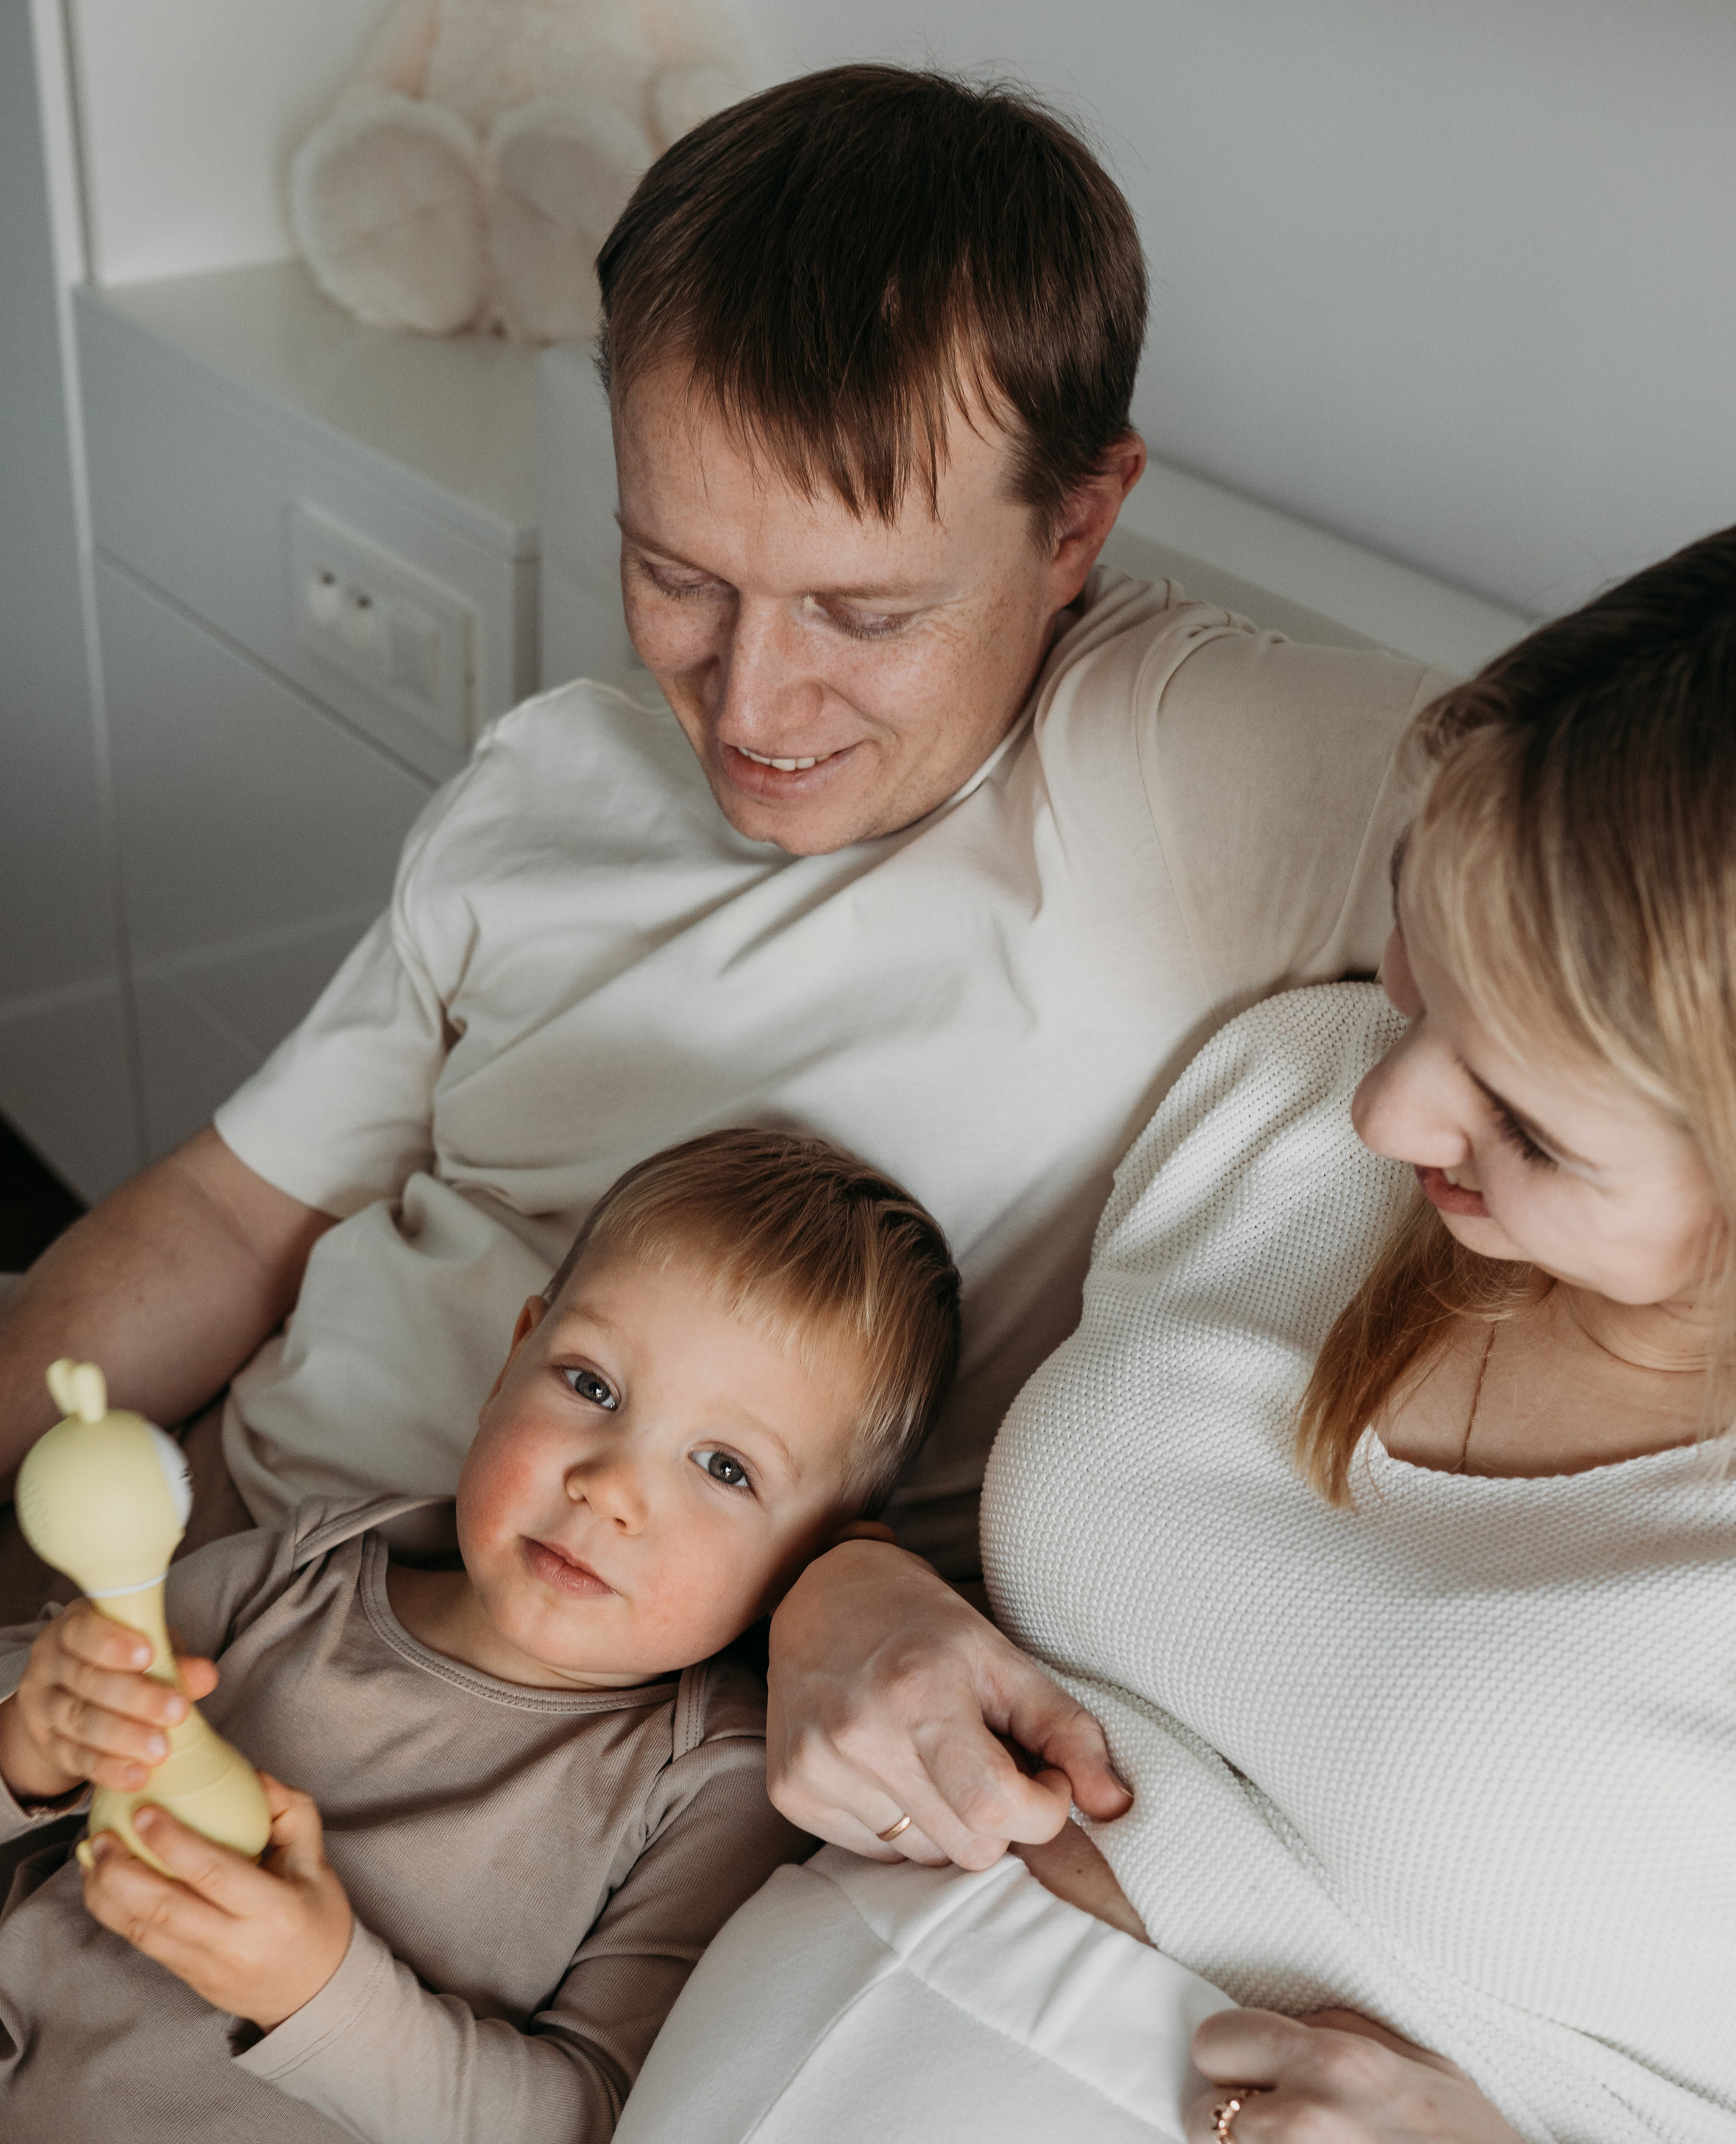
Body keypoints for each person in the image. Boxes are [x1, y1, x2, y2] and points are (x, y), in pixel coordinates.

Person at [10, 497, 1736, 2144]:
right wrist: (843, 1596)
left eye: (1521, 1102)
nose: (1393, 1104)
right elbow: (829, 1457)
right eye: (1419, 989)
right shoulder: (1295, 1137)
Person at [0, 63, 1440, 1910]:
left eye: (861, 614)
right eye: (674, 574)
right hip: (185, 1581)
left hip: (474, 1765)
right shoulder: (550, 777)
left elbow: (1712, 813)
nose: (747, 712)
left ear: (1079, 521)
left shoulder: (1210, 771)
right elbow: (230, 1207)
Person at [0, 1129, 958, 2144]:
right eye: (591, 1384)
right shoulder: (312, 1567)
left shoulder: (704, 1783)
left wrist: (317, 1990)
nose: (611, 1484)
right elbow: (44, 1682)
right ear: (513, 1355)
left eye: (725, 1469)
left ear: (815, 1559)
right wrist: (31, 1741)